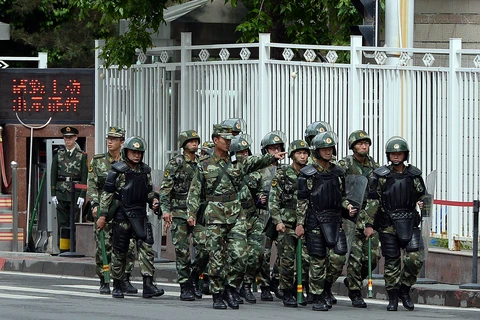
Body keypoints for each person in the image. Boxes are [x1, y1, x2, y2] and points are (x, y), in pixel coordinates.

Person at [186, 124, 286, 310]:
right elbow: (194, 191)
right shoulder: (205, 165)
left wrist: (272, 157)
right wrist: (191, 214)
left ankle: (231, 288)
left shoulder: (238, 162)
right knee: (215, 257)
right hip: (214, 215)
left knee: (241, 256)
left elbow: (257, 162)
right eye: (225, 139)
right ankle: (217, 294)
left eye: (230, 139)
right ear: (216, 140)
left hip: (236, 215)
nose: (228, 142)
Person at [97, 136, 164, 299]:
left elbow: (148, 191)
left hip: (140, 214)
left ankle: (148, 284)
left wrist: (154, 201)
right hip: (122, 215)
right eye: (133, 152)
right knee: (120, 251)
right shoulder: (117, 170)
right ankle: (118, 284)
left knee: (147, 248)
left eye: (139, 153)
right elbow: (107, 194)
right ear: (126, 152)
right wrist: (103, 215)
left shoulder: (145, 171)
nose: (137, 155)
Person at [365, 136, 426, 311]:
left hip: (410, 223)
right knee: (392, 262)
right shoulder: (380, 176)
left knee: (415, 258)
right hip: (388, 224)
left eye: (399, 153)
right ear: (388, 155)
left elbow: (423, 195)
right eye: (393, 153)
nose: (396, 156)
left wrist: (423, 204)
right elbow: (373, 201)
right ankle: (392, 297)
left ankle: (405, 290)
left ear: (405, 155)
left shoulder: (414, 175)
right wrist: (369, 224)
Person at [296, 131, 348, 312]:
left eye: (330, 148)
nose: (328, 151)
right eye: (324, 149)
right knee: (317, 260)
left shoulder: (338, 172)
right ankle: (317, 296)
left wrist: (348, 207)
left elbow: (343, 196)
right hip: (315, 221)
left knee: (338, 256)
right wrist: (300, 224)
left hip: (334, 221)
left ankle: (326, 287)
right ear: (316, 151)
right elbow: (302, 201)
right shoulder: (307, 174)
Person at [87, 126, 138, 295]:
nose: (110, 142)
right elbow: (92, 185)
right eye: (108, 138)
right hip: (105, 208)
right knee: (104, 246)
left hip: (124, 209)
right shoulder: (98, 160)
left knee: (128, 246)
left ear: (122, 142)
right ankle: (104, 279)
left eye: (114, 139)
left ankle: (124, 279)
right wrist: (95, 204)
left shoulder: (128, 162)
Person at [159, 130, 209, 301]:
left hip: (197, 212)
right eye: (190, 141)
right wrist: (165, 210)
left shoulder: (202, 163)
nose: (194, 143)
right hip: (178, 211)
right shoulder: (176, 163)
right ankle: (185, 285)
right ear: (183, 144)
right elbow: (165, 189)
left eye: (196, 140)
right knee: (182, 251)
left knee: (205, 247)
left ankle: (194, 275)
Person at [338, 130, 380, 308]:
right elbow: (337, 189)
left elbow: (378, 192)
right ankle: (355, 292)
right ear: (353, 146)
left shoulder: (375, 166)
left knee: (372, 257)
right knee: (354, 256)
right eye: (360, 143)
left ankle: (353, 280)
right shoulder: (344, 165)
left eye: (366, 143)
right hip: (351, 216)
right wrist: (345, 205)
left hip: (369, 216)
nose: (364, 146)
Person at [269, 139, 311, 307]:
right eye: (299, 153)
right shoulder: (283, 174)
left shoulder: (311, 174)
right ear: (293, 155)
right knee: (286, 260)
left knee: (306, 260)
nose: (303, 156)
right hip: (286, 223)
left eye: (305, 153)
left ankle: (297, 287)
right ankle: (286, 292)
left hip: (306, 223)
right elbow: (273, 200)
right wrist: (277, 221)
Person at [256, 130, 286, 301]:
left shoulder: (284, 171)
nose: (276, 152)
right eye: (271, 149)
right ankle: (264, 285)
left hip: (280, 216)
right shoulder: (259, 170)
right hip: (263, 216)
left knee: (284, 252)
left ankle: (276, 280)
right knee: (264, 253)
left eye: (278, 148)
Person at [51, 126, 88, 243]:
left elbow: (84, 176)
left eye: (70, 138)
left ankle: (73, 246)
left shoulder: (82, 155)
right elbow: (53, 175)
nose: (68, 140)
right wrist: (53, 193)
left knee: (73, 221)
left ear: (76, 138)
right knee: (62, 222)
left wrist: (82, 194)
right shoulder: (58, 154)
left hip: (75, 192)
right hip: (61, 192)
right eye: (66, 138)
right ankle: (63, 248)